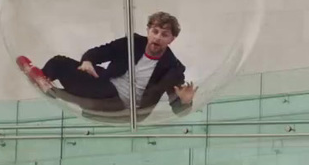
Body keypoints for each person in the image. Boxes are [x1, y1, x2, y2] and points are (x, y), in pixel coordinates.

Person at [16, 11, 196, 116]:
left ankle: (46, 82)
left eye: (164, 35)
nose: (157, 37)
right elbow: (101, 51)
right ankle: (44, 79)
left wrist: (186, 102)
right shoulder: (132, 42)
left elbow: (177, 110)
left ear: (172, 39)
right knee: (59, 61)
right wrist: (88, 61)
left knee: (94, 85)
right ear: (148, 30)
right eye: (155, 31)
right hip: (104, 85)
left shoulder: (173, 68)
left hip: (121, 102)